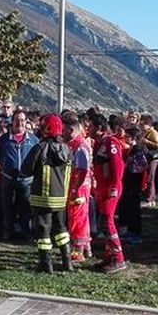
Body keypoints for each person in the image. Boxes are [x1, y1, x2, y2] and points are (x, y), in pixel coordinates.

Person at [21, 114, 74, 273]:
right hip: (60, 199)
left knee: (43, 231)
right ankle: (67, 262)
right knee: (61, 229)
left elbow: (25, 170)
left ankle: (46, 264)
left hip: (42, 198)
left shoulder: (40, 147)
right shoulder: (66, 149)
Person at [89, 113, 128, 273]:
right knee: (104, 223)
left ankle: (119, 258)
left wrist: (113, 187)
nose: (88, 129)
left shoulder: (110, 142)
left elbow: (118, 166)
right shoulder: (99, 143)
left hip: (111, 188)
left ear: (99, 128)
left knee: (107, 221)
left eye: (91, 126)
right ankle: (109, 256)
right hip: (103, 188)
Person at [0, 109, 38, 240]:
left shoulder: (34, 140)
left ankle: (26, 233)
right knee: (8, 208)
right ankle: (8, 232)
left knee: (26, 208)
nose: (20, 123)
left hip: (27, 181)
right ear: (12, 122)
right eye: (17, 120)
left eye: (23, 120)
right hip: (8, 179)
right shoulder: (4, 140)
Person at [63, 112, 93, 262]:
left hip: (79, 187)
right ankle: (86, 248)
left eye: (63, 130)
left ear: (70, 129)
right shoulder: (72, 144)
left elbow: (82, 170)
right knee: (79, 216)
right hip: (74, 185)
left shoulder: (80, 146)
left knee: (78, 217)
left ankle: (78, 251)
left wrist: (75, 189)